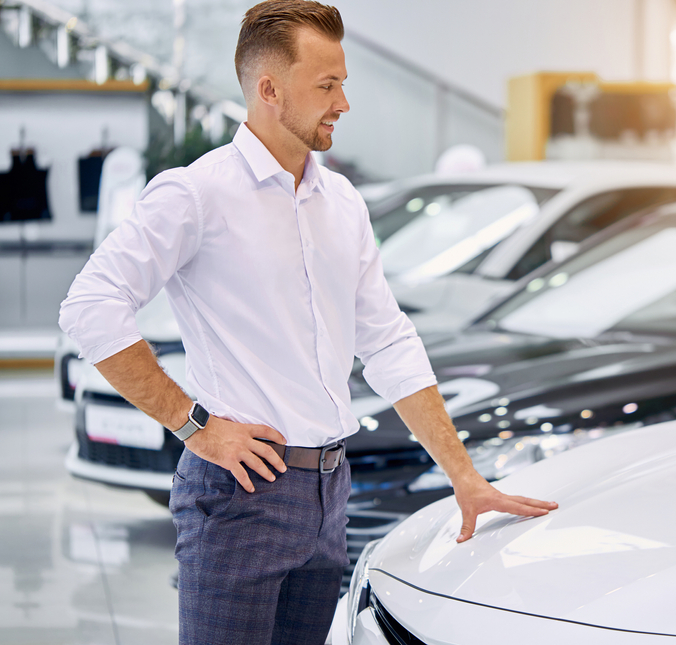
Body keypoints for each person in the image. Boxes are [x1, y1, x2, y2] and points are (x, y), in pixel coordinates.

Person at [58, 1, 557, 643]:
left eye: (343, 83)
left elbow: (389, 342)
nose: (343, 103)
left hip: (329, 491)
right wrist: (193, 425)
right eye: (327, 85)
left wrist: (466, 478)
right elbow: (90, 306)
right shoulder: (197, 193)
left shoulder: (342, 202)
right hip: (239, 495)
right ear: (269, 89)